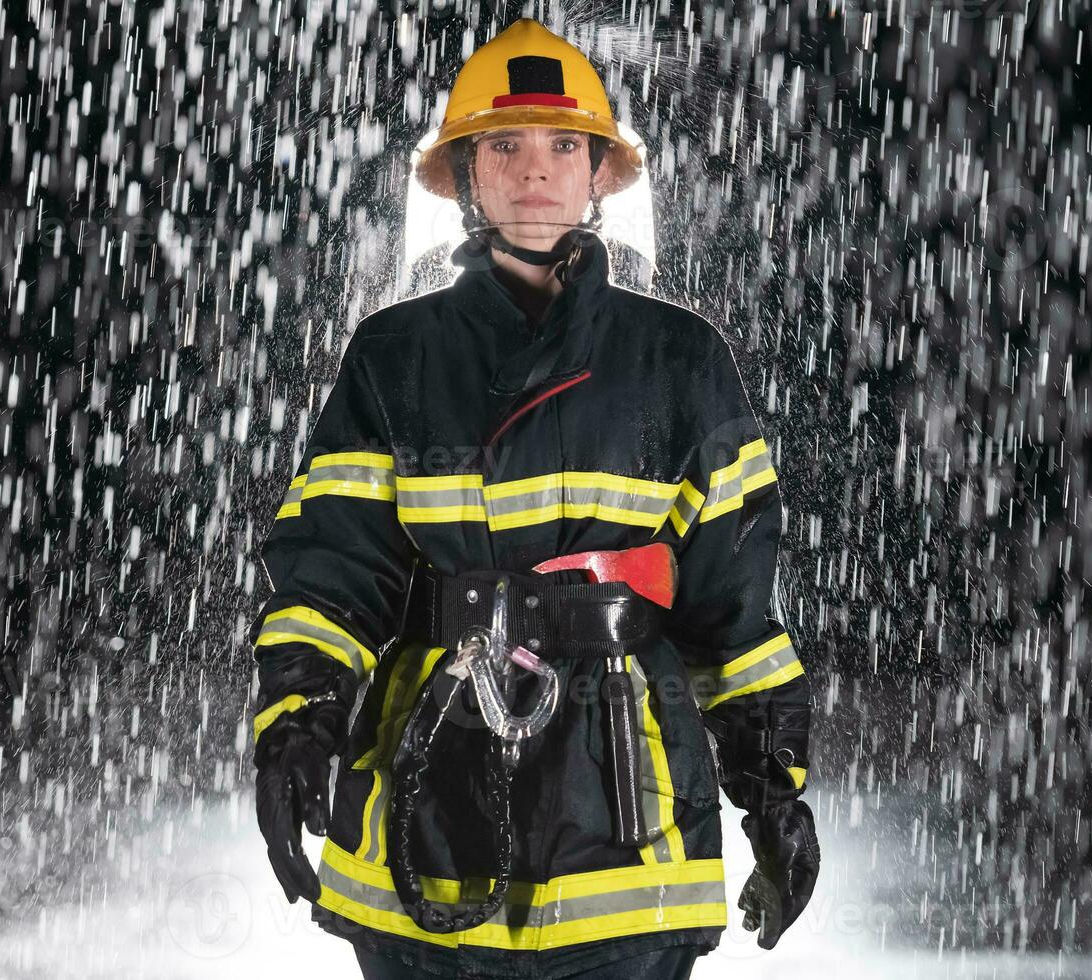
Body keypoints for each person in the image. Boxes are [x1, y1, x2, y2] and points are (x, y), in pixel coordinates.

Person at [251, 18, 820, 980]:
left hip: (627, 798)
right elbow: (333, 572)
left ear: (600, 172)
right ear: (465, 176)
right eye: (503, 146)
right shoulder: (394, 359)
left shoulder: (682, 362)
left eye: (563, 146)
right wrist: (297, 725)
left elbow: (733, 613)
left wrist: (773, 793)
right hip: (430, 774)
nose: (534, 173)